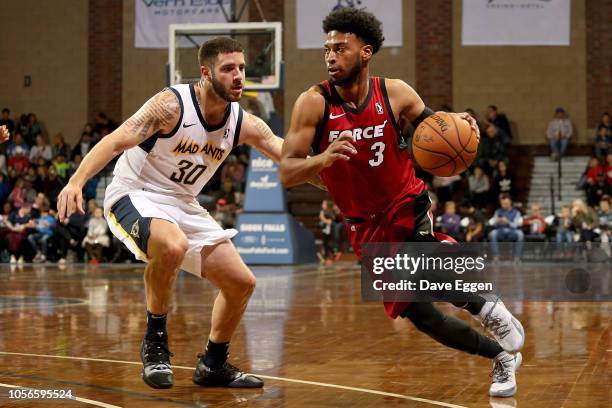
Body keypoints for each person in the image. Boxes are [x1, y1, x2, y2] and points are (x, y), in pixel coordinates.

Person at [278, 7, 524, 398]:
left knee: (421, 257)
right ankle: (501, 357)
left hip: (404, 201)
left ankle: (489, 309)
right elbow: (286, 172)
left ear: (365, 52)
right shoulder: (314, 103)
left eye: (340, 48)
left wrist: (460, 123)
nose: (330, 56)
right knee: (420, 314)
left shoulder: (395, 92)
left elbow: (437, 130)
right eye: (326, 48)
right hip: (363, 223)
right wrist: (322, 159)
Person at [57, 37, 315, 390]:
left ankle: (213, 364)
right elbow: (116, 140)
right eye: (228, 69)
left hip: (182, 202)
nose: (238, 76)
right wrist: (76, 181)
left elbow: (289, 156)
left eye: (241, 68)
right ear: (206, 73)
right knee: (173, 246)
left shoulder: (241, 121)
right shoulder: (171, 106)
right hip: (135, 192)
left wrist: (335, 173)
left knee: (241, 283)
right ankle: (155, 344)